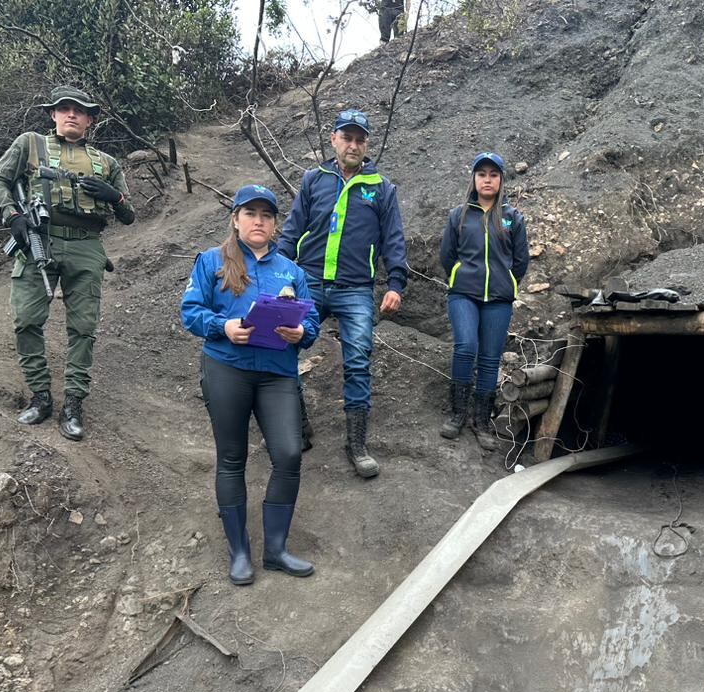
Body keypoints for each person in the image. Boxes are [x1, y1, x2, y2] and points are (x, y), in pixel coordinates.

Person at [181, 185, 321, 585]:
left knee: (289, 454)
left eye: (266, 214)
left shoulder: (291, 270)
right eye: (250, 213)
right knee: (232, 458)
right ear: (236, 219)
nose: (258, 221)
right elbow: (190, 312)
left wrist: (301, 333)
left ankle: (275, 550)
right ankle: (239, 551)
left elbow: (311, 323)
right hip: (228, 367)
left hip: (277, 372)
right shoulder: (212, 262)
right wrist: (222, 326)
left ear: (275, 223)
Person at [0, 85, 136, 441]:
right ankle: (41, 397)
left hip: (87, 247)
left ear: (89, 120)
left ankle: (73, 402)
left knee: (83, 328)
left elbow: (129, 214)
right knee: (25, 320)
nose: (71, 114)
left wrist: (112, 195)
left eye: (79, 110)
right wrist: (12, 216)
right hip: (40, 239)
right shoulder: (31, 143)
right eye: (64, 108)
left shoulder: (106, 163)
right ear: (53, 115)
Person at [276, 109, 409, 479]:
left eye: (359, 139)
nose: (353, 145)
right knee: (284, 348)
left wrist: (395, 284)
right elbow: (291, 231)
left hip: (355, 288)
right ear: (333, 139)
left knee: (357, 359)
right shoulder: (313, 180)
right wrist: (280, 274)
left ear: (366, 145)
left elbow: (394, 241)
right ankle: (296, 427)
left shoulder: (381, 188)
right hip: (308, 281)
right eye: (346, 137)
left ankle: (357, 443)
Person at [438, 152, 529, 447]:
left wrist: (509, 281)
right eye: (481, 174)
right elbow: (447, 255)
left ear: (501, 179)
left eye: (493, 174)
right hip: (463, 293)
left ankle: (481, 422)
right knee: (466, 346)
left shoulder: (513, 218)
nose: (487, 179)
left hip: (499, 298)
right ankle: (458, 414)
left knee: (490, 359)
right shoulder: (459, 215)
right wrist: (458, 274)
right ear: (474, 179)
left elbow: (521, 261)